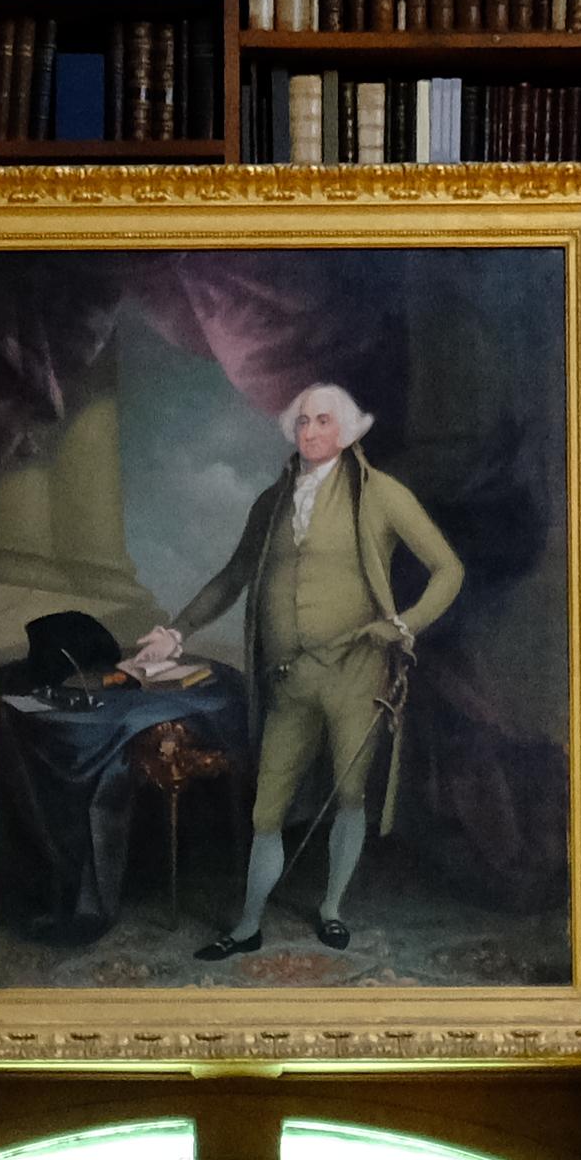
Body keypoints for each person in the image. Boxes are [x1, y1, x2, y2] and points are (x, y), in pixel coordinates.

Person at [141, 383, 464, 961]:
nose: (310, 431)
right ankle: (248, 924)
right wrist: (177, 630)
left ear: (347, 429)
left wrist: (403, 624)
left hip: (356, 673)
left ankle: (332, 908)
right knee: (266, 809)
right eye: (303, 421)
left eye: (323, 420)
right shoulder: (272, 502)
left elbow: (448, 569)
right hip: (287, 680)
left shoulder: (380, 494)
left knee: (349, 796)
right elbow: (232, 576)